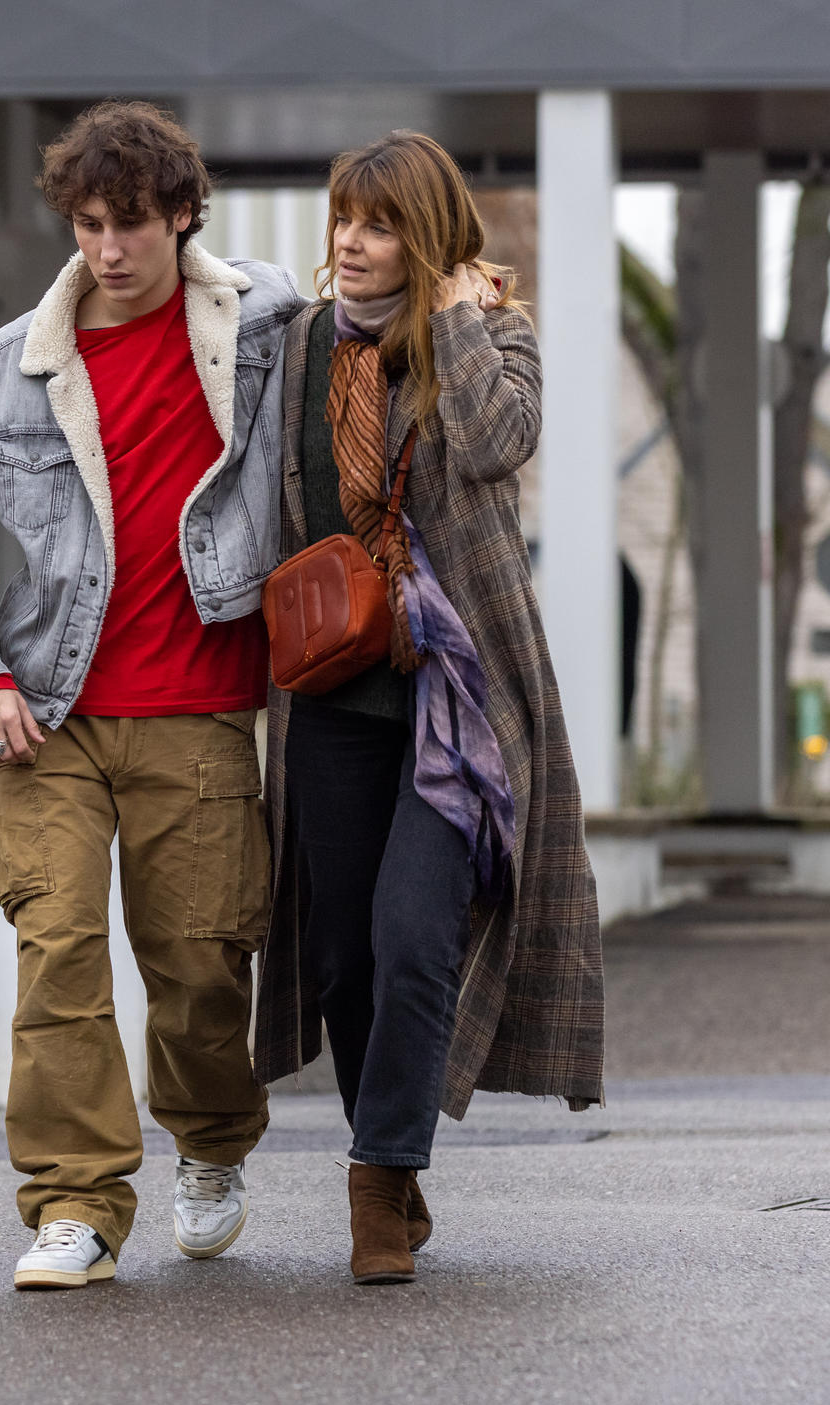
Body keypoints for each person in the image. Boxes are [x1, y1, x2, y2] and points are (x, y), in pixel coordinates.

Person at [0, 101, 304, 1291]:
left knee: (197, 969)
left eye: (132, 224)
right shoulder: (3, 366)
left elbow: (373, 324)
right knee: (57, 954)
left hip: (200, 709)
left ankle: (213, 1144)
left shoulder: (266, 324)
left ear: (182, 214)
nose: (108, 250)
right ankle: (73, 1202)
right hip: (46, 714)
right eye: (87, 225)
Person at [250, 130, 604, 1285]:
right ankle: (390, 1164)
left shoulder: (492, 333)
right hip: (333, 691)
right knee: (344, 955)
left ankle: (372, 1176)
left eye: (380, 223)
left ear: (430, 237)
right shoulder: (301, 347)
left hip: (457, 693)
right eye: (342, 219)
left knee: (414, 935)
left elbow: (499, 445)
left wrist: (451, 315)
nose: (349, 243)